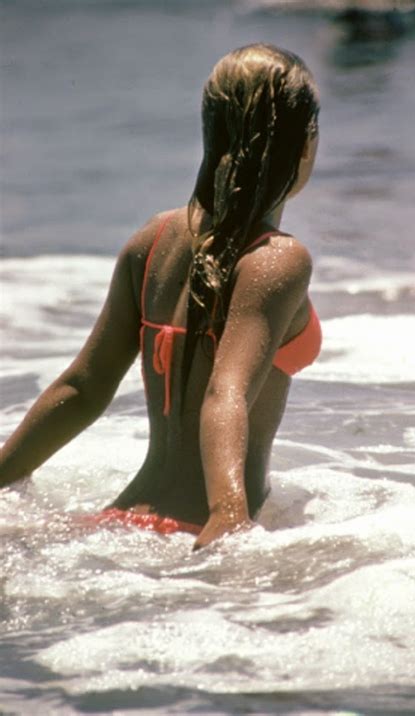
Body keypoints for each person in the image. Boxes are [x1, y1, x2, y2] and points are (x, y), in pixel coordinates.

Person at [0, 44, 322, 549]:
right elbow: (226, 394)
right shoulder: (277, 260)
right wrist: (230, 518)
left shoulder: (152, 241)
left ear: (210, 132)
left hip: (121, 523)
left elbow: (83, 388)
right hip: (198, 533)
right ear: (307, 144)